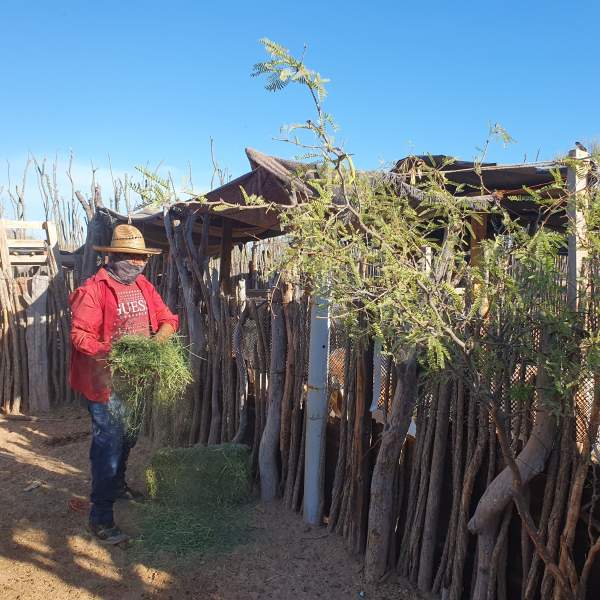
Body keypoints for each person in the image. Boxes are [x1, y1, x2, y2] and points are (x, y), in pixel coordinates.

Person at [69, 224, 179, 544]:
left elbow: (169, 319)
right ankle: (100, 518)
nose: (140, 263)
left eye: (143, 258)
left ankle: (117, 487)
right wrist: (114, 353)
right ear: (115, 257)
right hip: (105, 384)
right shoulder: (93, 290)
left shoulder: (143, 286)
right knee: (108, 447)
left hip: (136, 380)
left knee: (129, 437)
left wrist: (157, 342)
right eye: (133, 258)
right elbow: (79, 336)